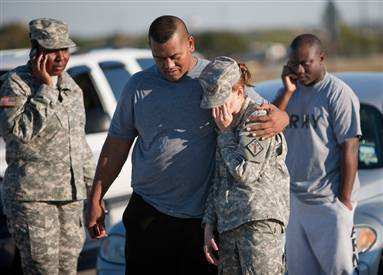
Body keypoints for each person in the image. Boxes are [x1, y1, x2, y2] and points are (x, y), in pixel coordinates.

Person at [86, 15, 289, 275]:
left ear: (190, 44)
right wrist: (96, 198)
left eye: (174, 56)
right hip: (149, 213)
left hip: (200, 222)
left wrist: (282, 118)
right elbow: (116, 146)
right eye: (159, 58)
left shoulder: (215, 78)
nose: (168, 65)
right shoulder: (138, 86)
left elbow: (258, 109)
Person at [0, 18, 95, 275]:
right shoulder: (15, 84)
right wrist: (45, 90)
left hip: (71, 199)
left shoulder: (72, 87)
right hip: (33, 199)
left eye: (65, 49)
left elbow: (79, 143)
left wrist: (94, 192)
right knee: (42, 270)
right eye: (53, 50)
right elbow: (19, 133)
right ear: (35, 49)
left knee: (68, 269)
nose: (61, 57)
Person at [274, 34, 361, 275]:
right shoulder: (291, 91)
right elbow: (269, 125)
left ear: (322, 58)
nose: (299, 70)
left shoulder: (338, 94)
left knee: (339, 272)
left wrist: (343, 202)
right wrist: (287, 91)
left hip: (329, 202)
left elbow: (350, 148)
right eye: (294, 64)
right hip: (295, 202)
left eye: (306, 63)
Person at [200, 56, 289, 275]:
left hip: (258, 225)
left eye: (222, 100)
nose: (216, 109)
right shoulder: (225, 124)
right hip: (229, 226)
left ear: (239, 92)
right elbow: (219, 177)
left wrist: (227, 135)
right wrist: (209, 222)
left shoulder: (258, 118)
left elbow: (246, 172)